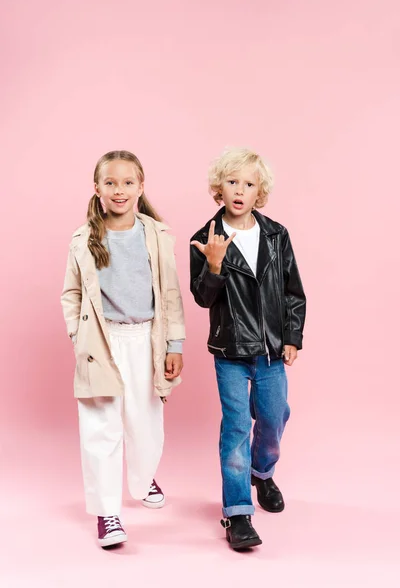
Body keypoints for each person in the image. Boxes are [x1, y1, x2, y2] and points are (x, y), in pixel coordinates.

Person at [61, 150, 185, 548]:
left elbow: (169, 293)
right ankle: (107, 513)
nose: (119, 190)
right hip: (101, 341)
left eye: (127, 182)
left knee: (146, 425)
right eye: (110, 183)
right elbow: (72, 293)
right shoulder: (84, 239)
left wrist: (174, 344)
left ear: (141, 186)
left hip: (145, 339)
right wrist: (79, 340)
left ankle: (143, 475)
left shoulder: (156, 234)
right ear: (97, 189)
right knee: (100, 428)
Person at [190, 147, 306, 550]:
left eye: (250, 183)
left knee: (274, 418)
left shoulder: (276, 235)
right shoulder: (206, 239)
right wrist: (216, 265)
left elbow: (293, 291)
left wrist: (292, 336)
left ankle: (263, 471)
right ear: (218, 189)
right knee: (237, 427)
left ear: (261, 192)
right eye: (232, 182)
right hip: (231, 352)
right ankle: (238, 513)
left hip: (272, 350)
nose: (240, 190)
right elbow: (203, 298)